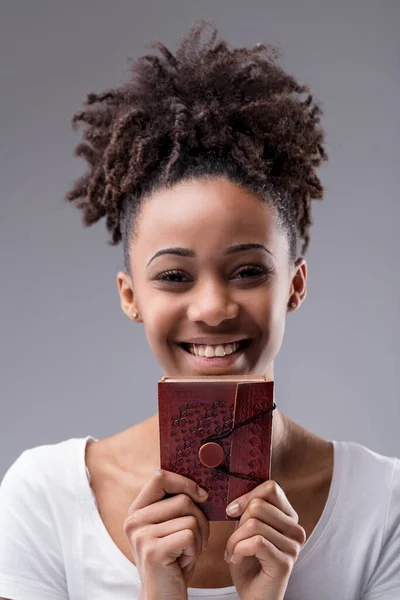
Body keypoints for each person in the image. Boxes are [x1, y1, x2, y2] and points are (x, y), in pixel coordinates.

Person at [0, 18, 399, 600]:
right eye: (174, 276)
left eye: (248, 271)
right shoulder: (45, 496)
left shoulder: (383, 503)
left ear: (295, 284)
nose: (212, 307)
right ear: (130, 295)